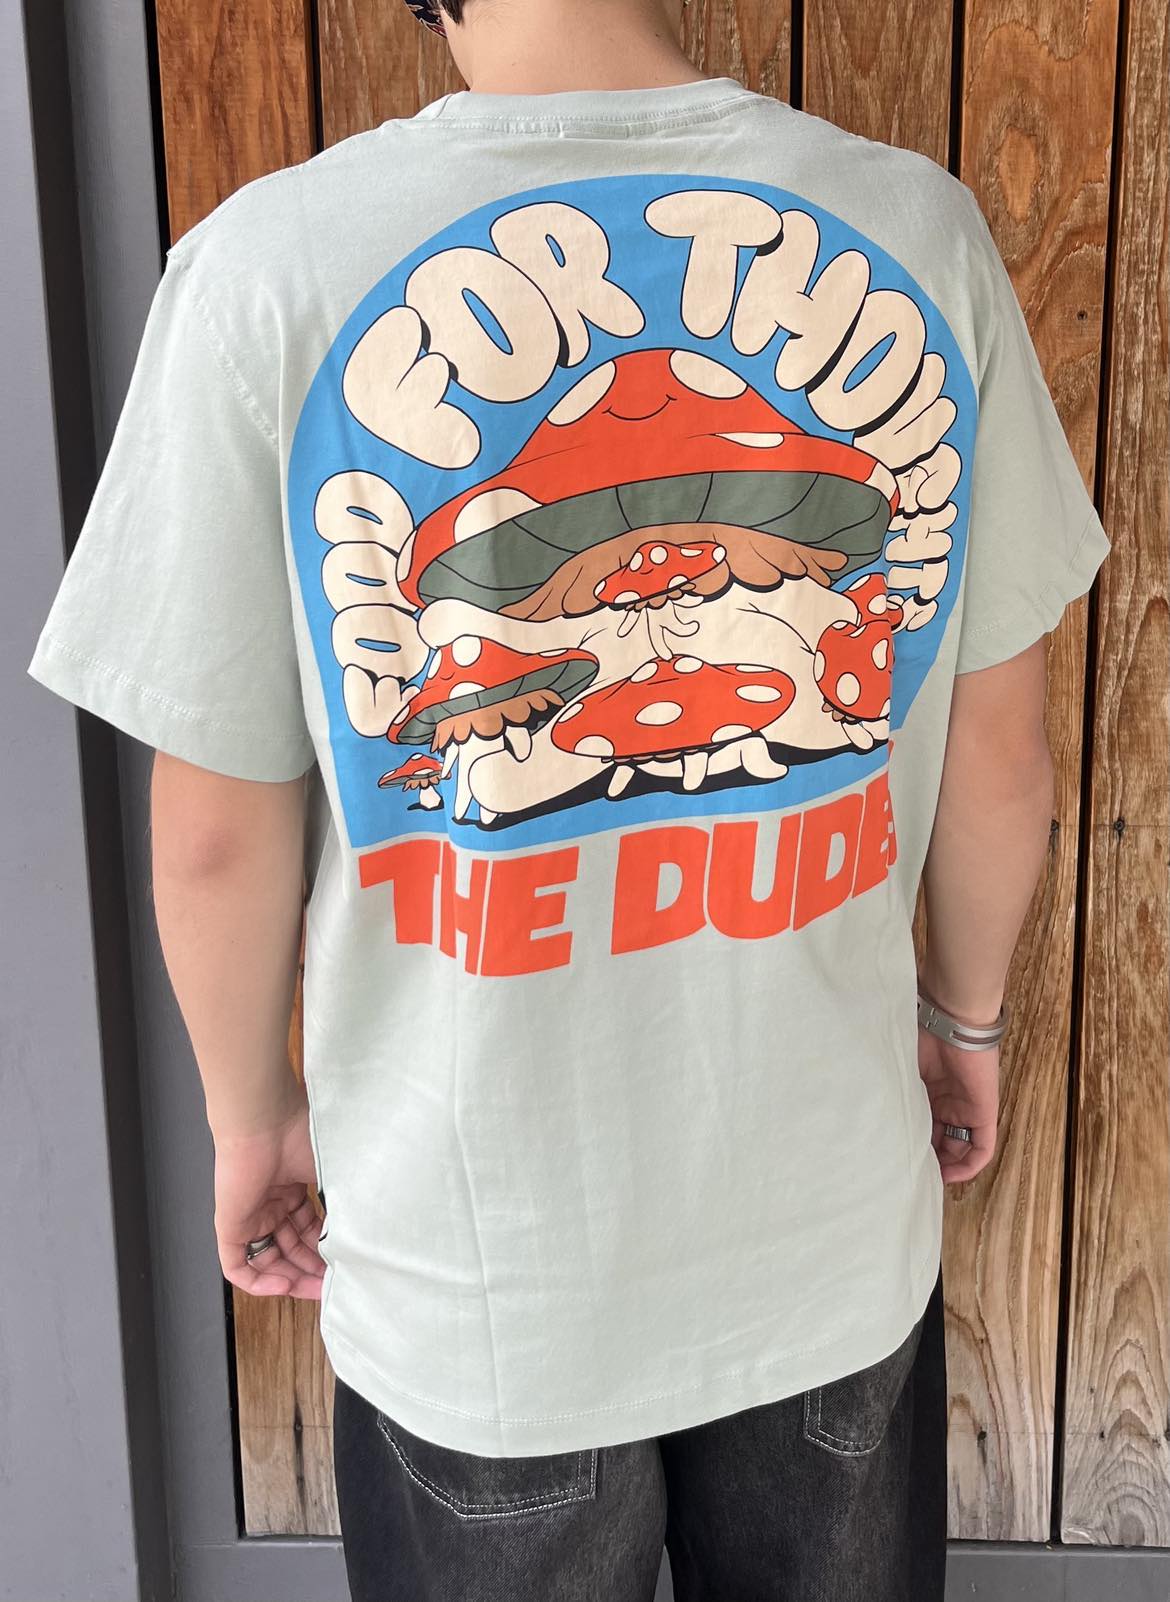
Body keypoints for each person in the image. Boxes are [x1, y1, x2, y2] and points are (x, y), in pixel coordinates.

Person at [26, 0, 1111, 1596]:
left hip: (475, 1274)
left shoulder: (263, 272)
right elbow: (1000, 752)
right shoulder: (917, 230)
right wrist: (963, 1018)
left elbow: (210, 829)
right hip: (821, 1223)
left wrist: (252, 1119)